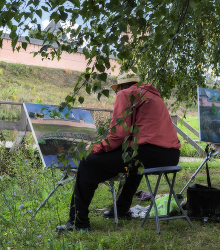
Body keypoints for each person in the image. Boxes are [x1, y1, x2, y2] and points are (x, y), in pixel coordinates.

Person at [56, 73, 181, 232]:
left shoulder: (126, 94)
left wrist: (95, 148)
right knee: (134, 168)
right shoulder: (152, 96)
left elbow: (118, 135)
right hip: (171, 156)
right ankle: (120, 210)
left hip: (148, 153)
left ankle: (77, 222)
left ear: (121, 87)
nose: (117, 93)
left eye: (117, 90)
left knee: (88, 163)